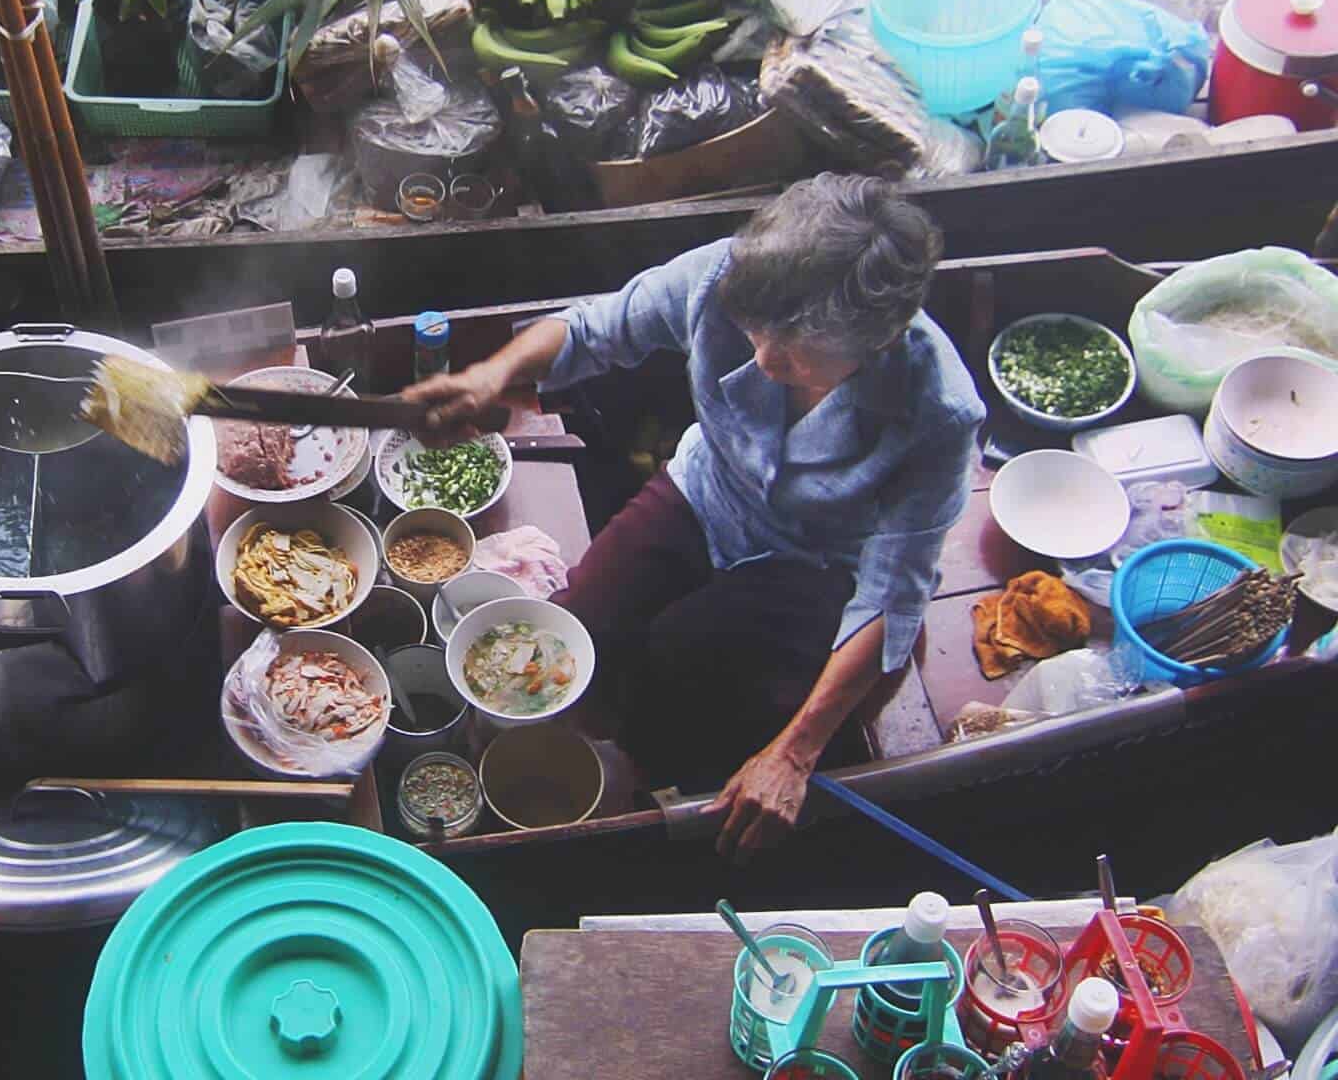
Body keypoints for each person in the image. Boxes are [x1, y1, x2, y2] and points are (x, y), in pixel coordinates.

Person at [402, 173, 986, 860]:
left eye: (797, 357)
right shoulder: (727, 275)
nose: (764, 362)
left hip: (817, 562)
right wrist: (490, 375)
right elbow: (592, 329)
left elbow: (893, 597)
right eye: (755, 335)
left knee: (677, 691)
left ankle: (648, 786)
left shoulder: (939, 412)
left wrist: (792, 758)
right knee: (574, 634)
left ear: (878, 344)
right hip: (707, 491)